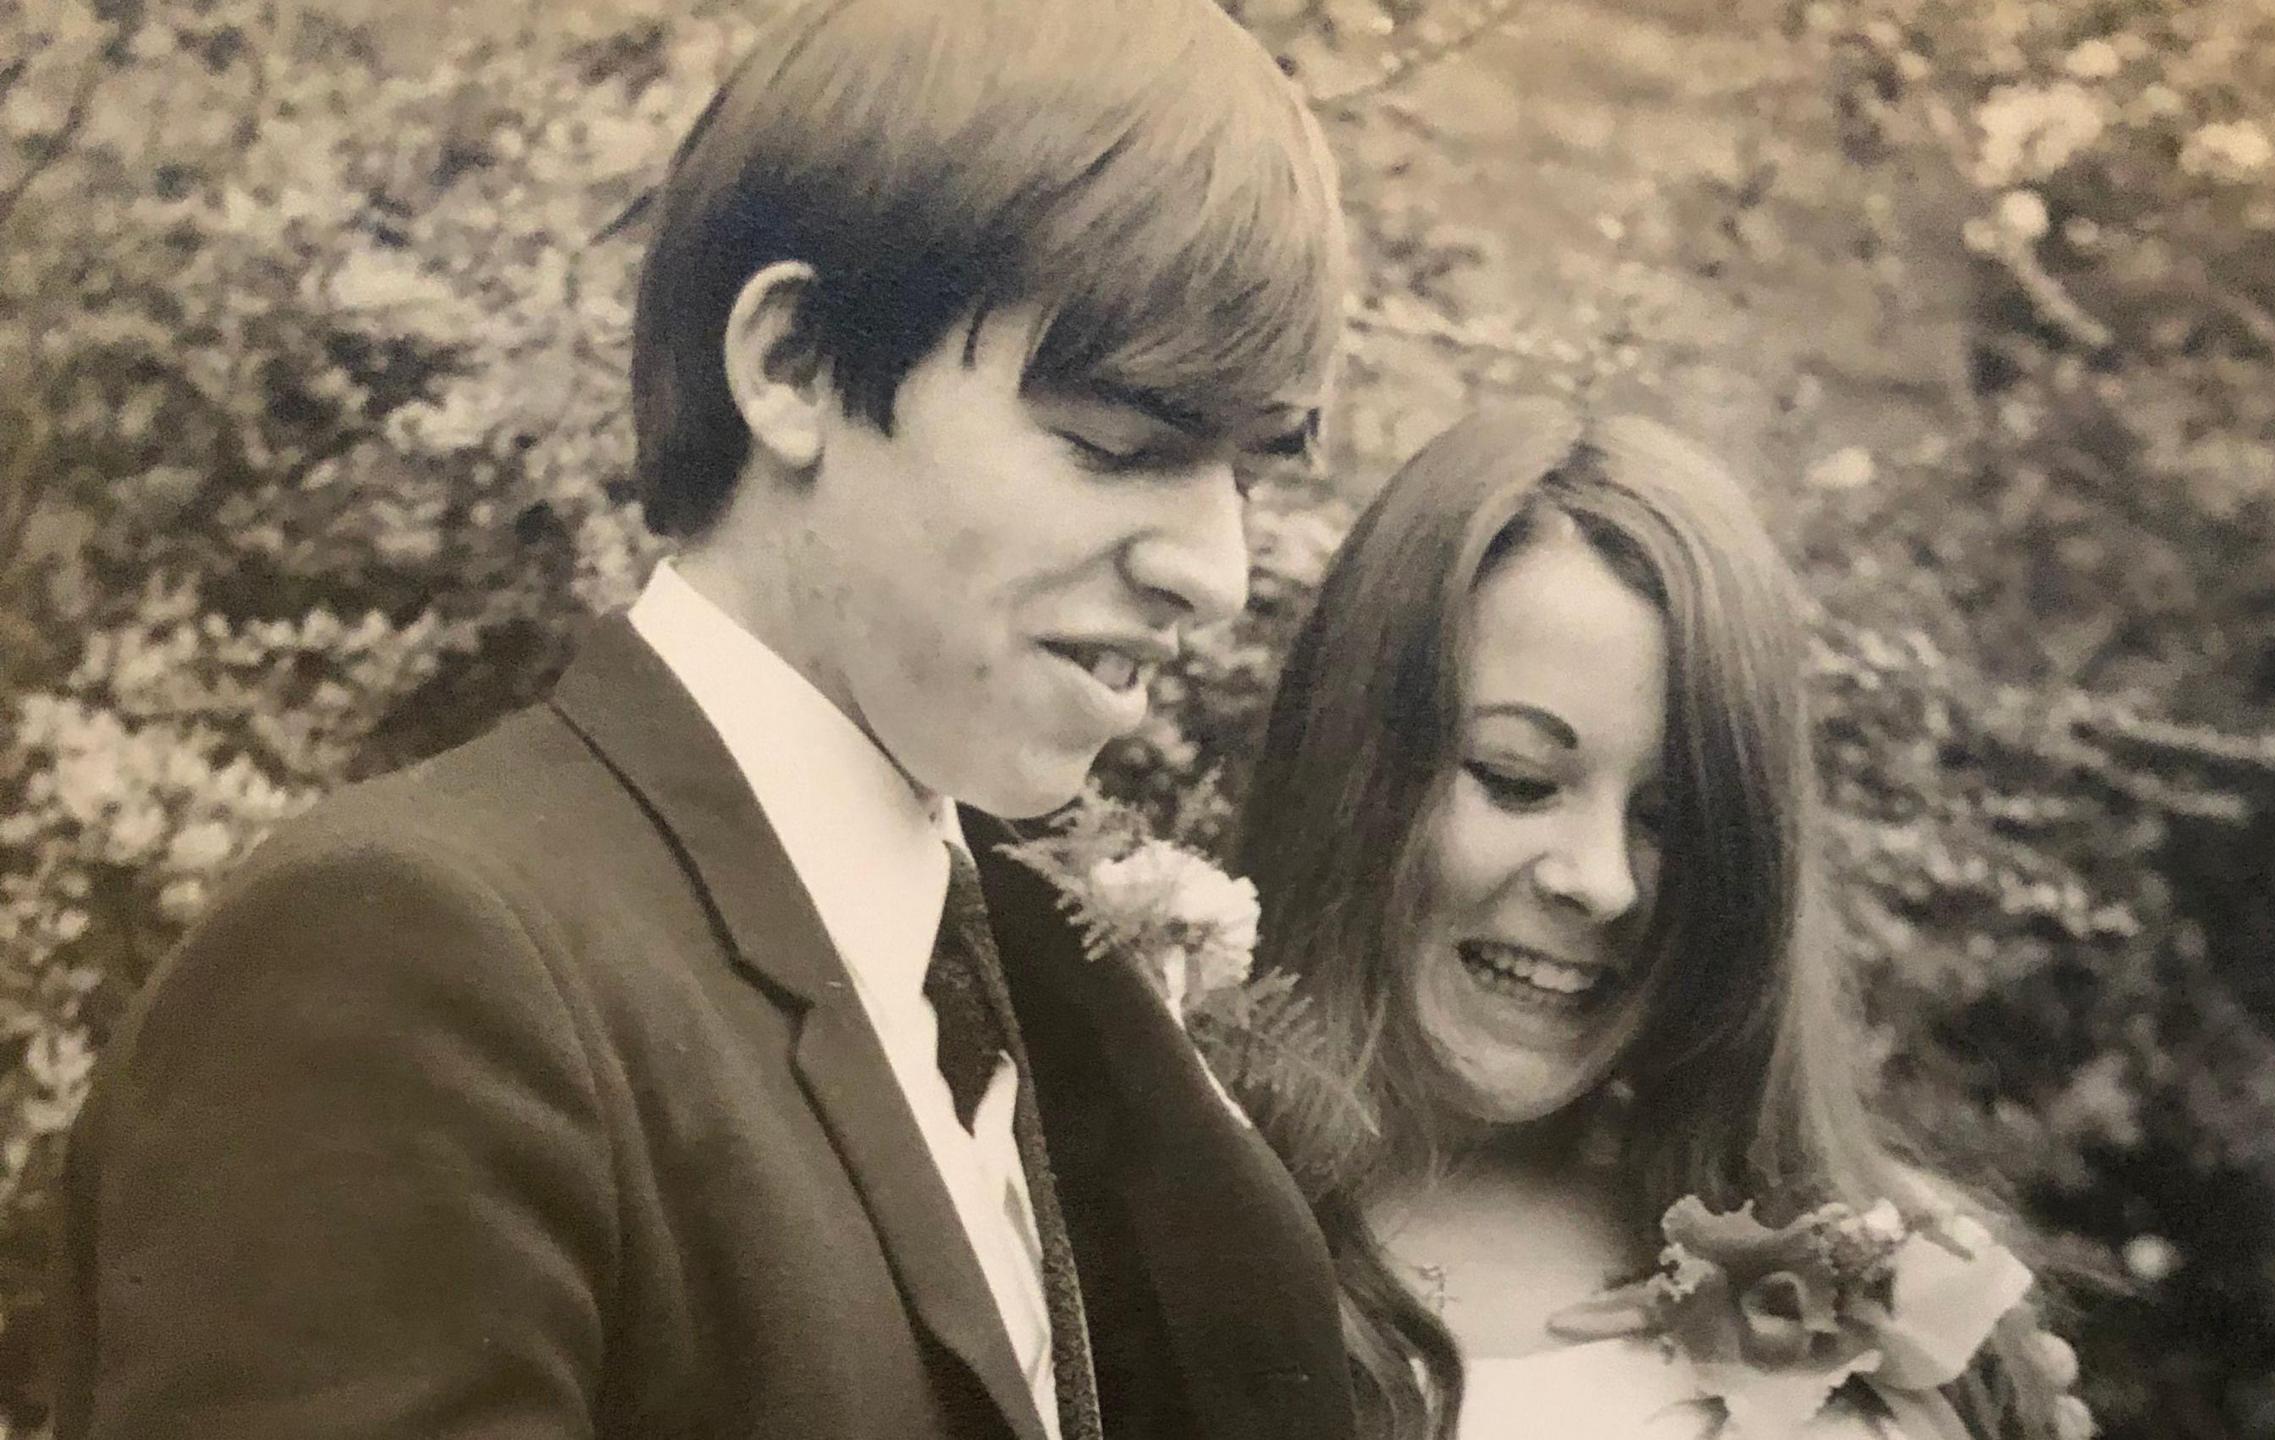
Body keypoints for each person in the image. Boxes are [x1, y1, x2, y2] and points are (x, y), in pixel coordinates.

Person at [51, 2, 1354, 1437]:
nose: (1216, 575)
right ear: (790, 367)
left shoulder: (1026, 970)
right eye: (1124, 444)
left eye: (1250, 474)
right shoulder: (415, 963)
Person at [1232, 403, 2072, 1440]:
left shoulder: (1895, 1292)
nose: (1602, 884)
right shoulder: (1115, 1203)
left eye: (1672, 819)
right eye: (1517, 779)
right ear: (1350, 769)